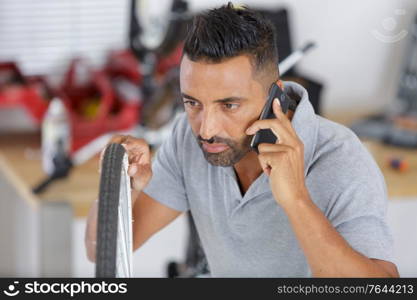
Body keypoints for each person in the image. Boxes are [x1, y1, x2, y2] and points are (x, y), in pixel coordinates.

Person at [85, 2, 399, 277]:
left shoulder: (340, 159)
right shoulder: (186, 138)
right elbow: (103, 253)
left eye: (229, 105)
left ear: (275, 96)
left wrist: (296, 199)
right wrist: (120, 190)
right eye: (192, 103)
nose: (206, 129)